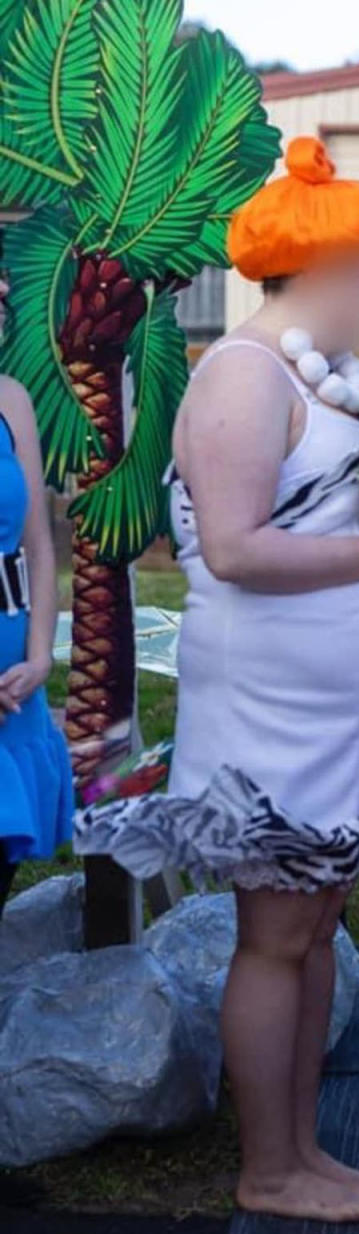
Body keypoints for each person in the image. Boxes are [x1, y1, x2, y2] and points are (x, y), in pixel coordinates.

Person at [76, 138, 359, 1223]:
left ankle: (305, 1148)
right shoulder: (241, 376)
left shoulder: (319, 372)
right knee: (276, 937)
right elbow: (238, 549)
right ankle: (271, 1166)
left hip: (341, 720)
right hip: (273, 716)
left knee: (313, 929)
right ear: (326, 266)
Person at [0, 262, 74, 917]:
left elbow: (38, 545)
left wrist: (42, 651)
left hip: (11, 671)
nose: (3, 291)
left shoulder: (12, 398)